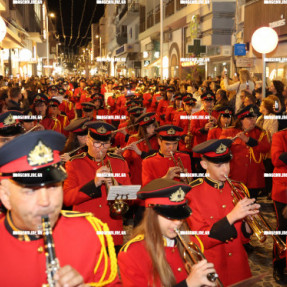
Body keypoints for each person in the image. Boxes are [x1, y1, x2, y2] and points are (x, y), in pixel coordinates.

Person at [0, 130, 120, 286]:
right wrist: (94, 183)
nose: (45, 201)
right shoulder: (76, 163)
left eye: (52, 187)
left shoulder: (88, 232)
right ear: (5, 196)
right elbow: (70, 196)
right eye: (30, 191)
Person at [186, 139, 260, 286]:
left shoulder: (238, 188)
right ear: (204, 165)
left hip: (239, 267)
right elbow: (201, 240)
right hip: (213, 267)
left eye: (227, 163)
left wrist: (248, 223)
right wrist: (232, 217)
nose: (225, 169)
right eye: (218, 165)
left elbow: (243, 239)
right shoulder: (191, 193)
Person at [118, 178, 218, 287]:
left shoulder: (193, 242)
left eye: (180, 217)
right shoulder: (132, 254)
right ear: (152, 215)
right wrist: (187, 284)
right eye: (170, 217)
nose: (177, 224)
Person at [63, 121, 131, 249]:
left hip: (111, 230)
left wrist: (117, 187)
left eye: (105, 144)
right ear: (88, 140)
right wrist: (94, 184)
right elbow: (67, 198)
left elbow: (132, 196)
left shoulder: (119, 162)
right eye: (97, 143)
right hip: (85, 230)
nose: (101, 148)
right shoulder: (74, 164)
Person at [220, 105, 270, 199]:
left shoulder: (261, 133)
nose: (253, 121)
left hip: (254, 178)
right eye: (250, 118)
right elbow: (219, 150)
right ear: (241, 119)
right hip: (235, 176)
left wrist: (248, 140)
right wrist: (227, 143)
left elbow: (266, 148)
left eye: (254, 117)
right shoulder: (229, 131)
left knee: (251, 205)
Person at [271, 128, 287, 283]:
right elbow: (275, 159)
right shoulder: (280, 136)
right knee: (283, 229)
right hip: (284, 191)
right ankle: (279, 265)